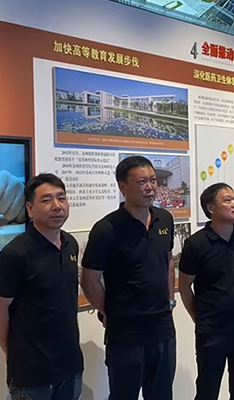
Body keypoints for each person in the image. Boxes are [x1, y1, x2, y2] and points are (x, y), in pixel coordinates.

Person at [80, 156, 176, 400]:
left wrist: (170, 301)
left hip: (163, 328)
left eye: (152, 180)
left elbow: (168, 261)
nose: (150, 187)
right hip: (126, 334)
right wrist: (110, 311)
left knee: (162, 394)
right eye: (142, 182)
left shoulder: (165, 219)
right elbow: (90, 280)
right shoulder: (106, 229)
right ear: (122, 187)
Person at [0, 173, 84, 400]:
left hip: (70, 366)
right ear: (30, 209)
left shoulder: (70, 244)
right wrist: (15, 355)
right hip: (32, 375)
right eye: (47, 200)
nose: (57, 206)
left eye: (61, 198)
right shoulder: (15, 254)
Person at [179, 183, 234, 400]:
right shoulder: (196, 244)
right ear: (211, 208)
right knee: (207, 390)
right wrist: (199, 317)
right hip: (212, 331)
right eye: (227, 200)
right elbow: (185, 286)